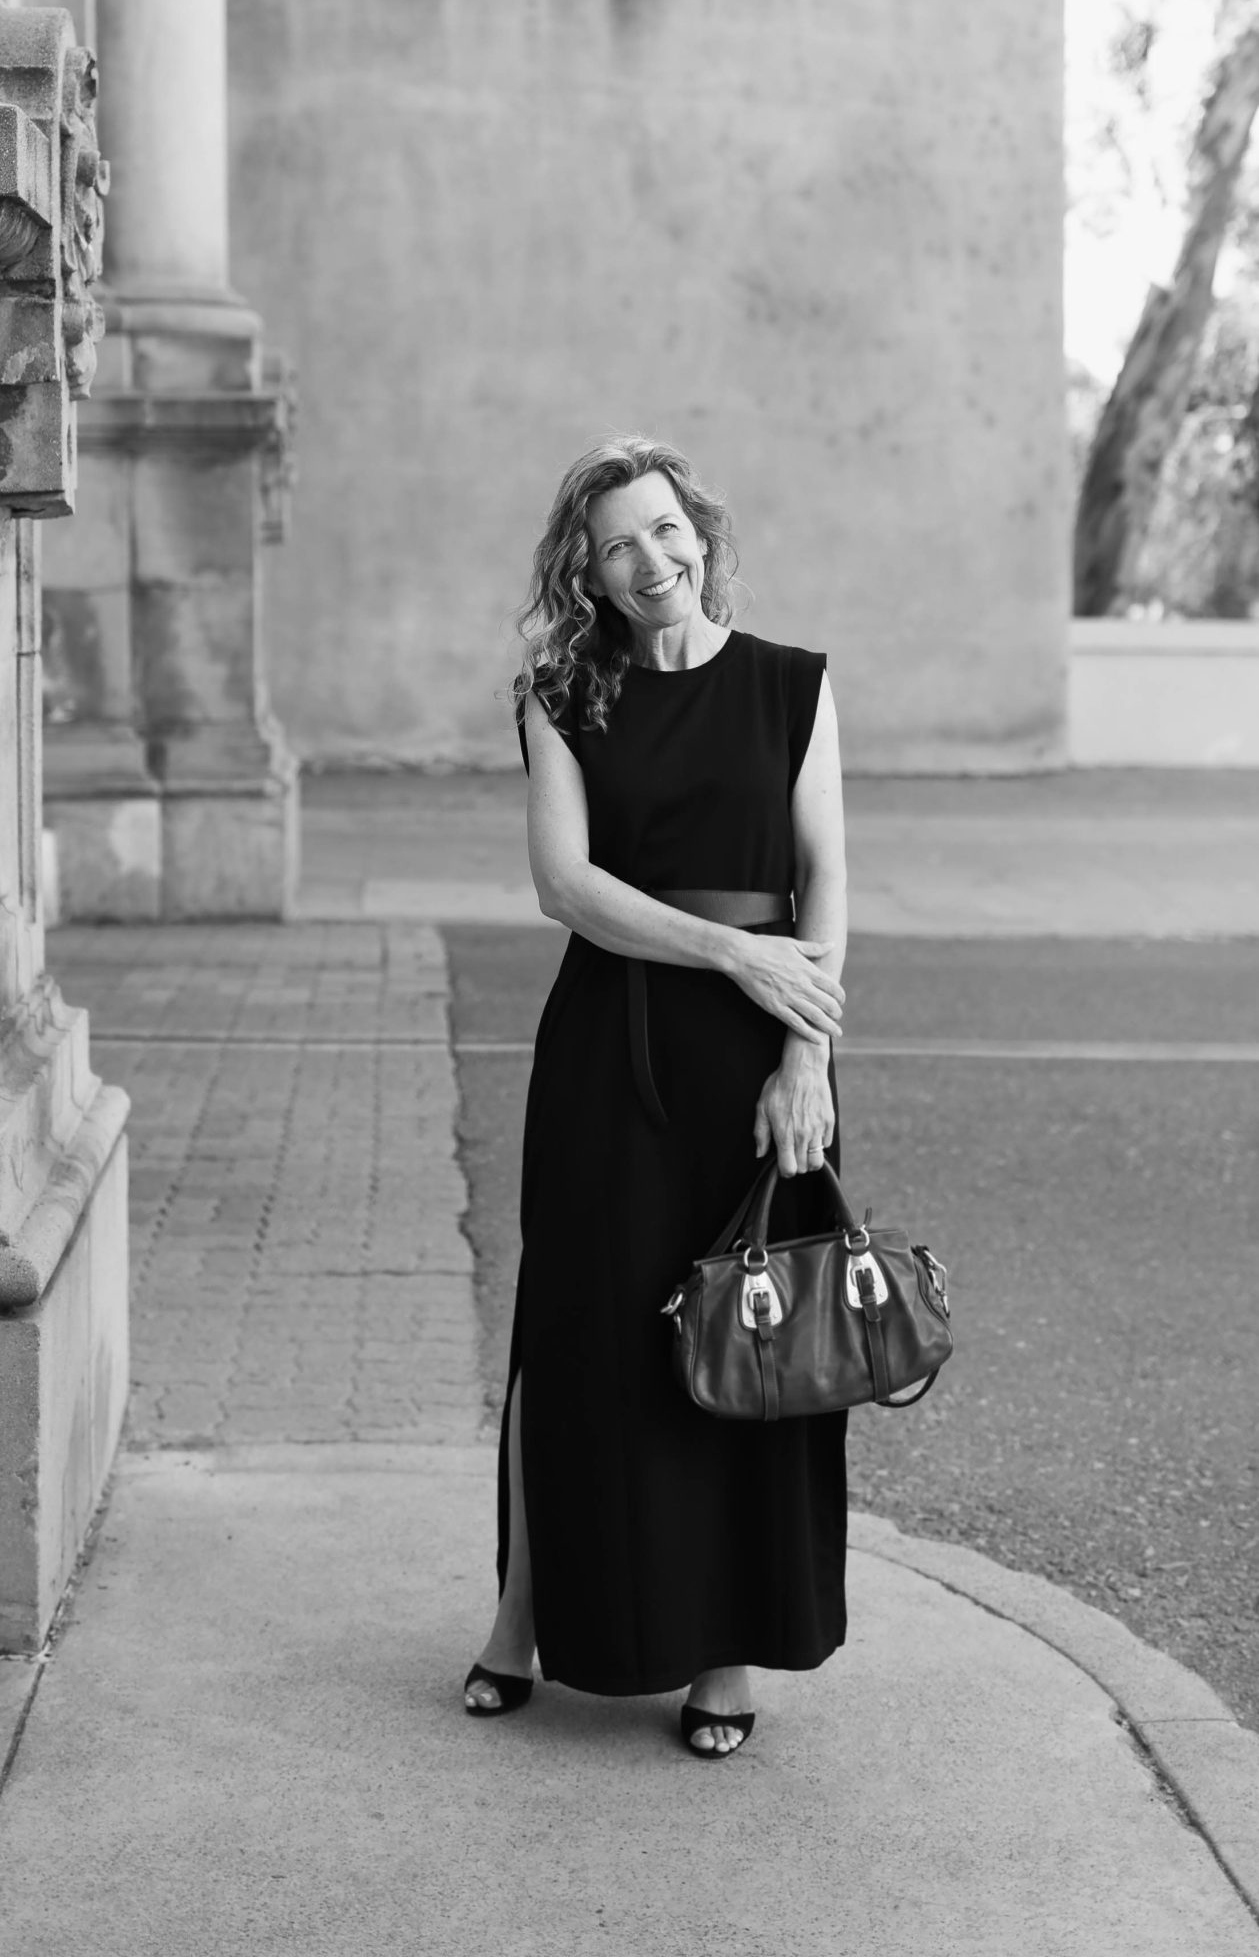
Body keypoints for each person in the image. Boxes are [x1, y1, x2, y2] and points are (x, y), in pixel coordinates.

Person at [464, 434, 849, 1759]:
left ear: (702, 529)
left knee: (750, 1339)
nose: (652, 561)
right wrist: (730, 949)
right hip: (610, 1048)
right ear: (589, 565)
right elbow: (565, 888)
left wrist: (806, 1055)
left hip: (759, 1056)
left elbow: (827, 882)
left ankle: (726, 1659)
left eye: (667, 530)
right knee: (573, 1336)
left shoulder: (791, 686)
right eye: (620, 542)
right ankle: (521, 1618)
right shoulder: (562, 693)